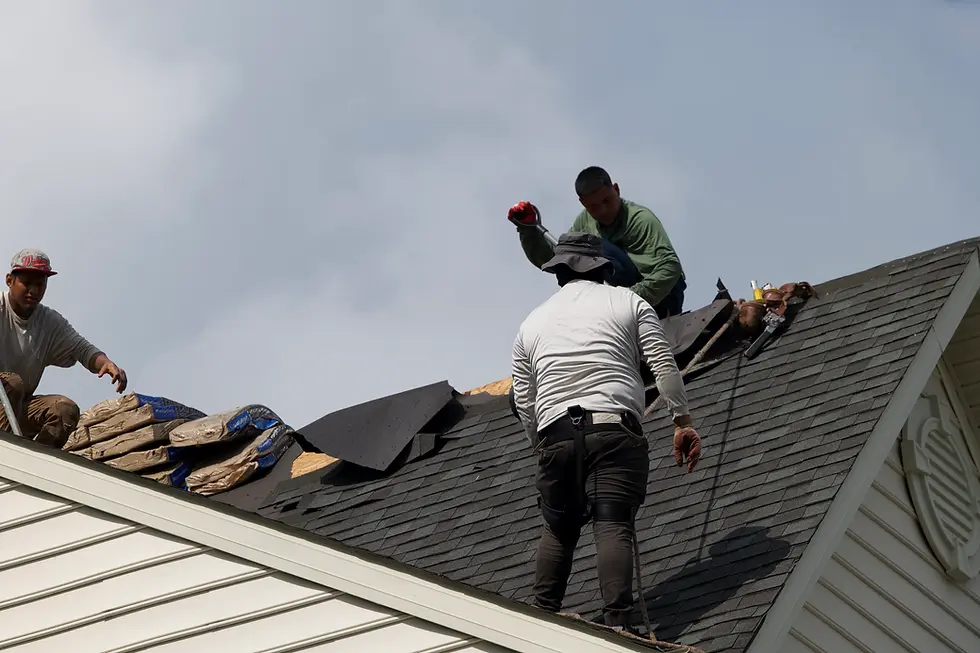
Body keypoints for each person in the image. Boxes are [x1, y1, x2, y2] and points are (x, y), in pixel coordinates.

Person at [510, 232, 701, 631]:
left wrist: (541, 446)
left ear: (558, 272)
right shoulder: (628, 301)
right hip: (613, 430)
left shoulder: (530, 323)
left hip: (554, 434)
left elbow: (525, 402)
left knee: (559, 528)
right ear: (603, 268)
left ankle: (537, 620)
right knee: (612, 521)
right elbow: (663, 367)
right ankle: (619, 625)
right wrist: (681, 421)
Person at [510, 165, 687, 319]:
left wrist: (626, 300)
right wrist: (528, 230)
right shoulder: (584, 223)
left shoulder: (641, 220)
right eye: (593, 207)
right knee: (577, 257)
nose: (602, 210)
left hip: (663, 299)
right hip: (621, 302)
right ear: (583, 203)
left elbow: (670, 268)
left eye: (607, 201)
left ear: (616, 190)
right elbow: (558, 259)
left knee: (594, 246)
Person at [0, 248, 128, 448]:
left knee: (64, 410)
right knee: (13, 383)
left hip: (16, 408)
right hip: (5, 396)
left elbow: (82, 348)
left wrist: (107, 363)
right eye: (26, 283)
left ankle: (34, 468)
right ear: (9, 281)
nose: (33, 291)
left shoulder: (48, 322)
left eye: (40, 284)